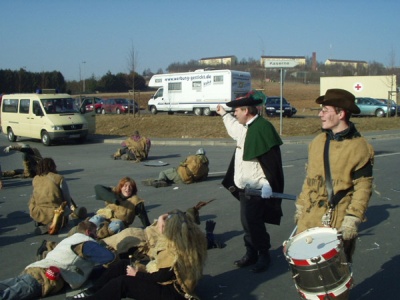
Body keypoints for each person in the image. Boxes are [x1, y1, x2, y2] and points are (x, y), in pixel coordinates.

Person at [294, 89, 374, 266]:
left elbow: (363, 187)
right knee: (307, 276)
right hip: (309, 218)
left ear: (340, 113)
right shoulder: (316, 142)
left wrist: (352, 219)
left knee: (333, 278)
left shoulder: (360, 148)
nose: (320, 114)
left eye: (325, 110)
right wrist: (301, 205)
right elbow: (309, 179)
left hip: (336, 221)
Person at [66, 210, 208, 300]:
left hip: (173, 293)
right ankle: (92, 291)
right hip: (173, 284)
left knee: (123, 282)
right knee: (123, 265)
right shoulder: (191, 239)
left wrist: (137, 274)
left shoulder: (173, 249)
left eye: (164, 226)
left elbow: (161, 276)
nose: (161, 228)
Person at [215, 90, 285, 273]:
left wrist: (268, 184)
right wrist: (223, 113)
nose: (234, 114)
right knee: (247, 222)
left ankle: (263, 254)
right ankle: (251, 252)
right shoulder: (245, 127)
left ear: (246, 110)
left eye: (236, 111)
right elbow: (233, 128)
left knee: (253, 222)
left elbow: (272, 163)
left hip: (256, 188)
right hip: (244, 187)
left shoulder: (262, 128)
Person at [0, 220, 117, 300]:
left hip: (35, 269)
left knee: (5, 287)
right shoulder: (86, 242)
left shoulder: (70, 240)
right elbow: (109, 257)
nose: (97, 236)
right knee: (7, 296)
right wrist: (109, 249)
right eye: (95, 232)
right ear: (88, 232)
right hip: (44, 278)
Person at [29, 158, 87, 235]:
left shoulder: (35, 178)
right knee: (67, 213)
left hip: (37, 211)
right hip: (55, 212)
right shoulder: (58, 178)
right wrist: (70, 209)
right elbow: (67, 197)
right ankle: (52, 224)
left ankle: (43, 222)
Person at [142, 148, 209, 188]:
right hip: (187, 181)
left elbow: (182, 163)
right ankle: (161, 181)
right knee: (170, 178)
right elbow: (202, 178)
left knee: (163, 173)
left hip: (179, 174)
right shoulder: (206, 168)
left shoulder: (192, 157)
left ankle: (161, 180)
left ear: (197, 153)